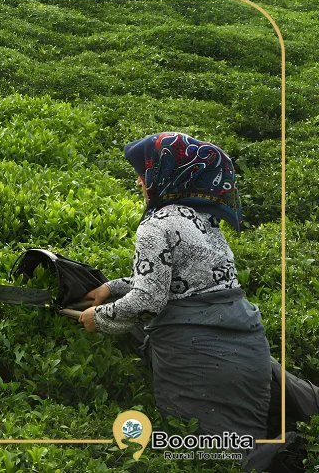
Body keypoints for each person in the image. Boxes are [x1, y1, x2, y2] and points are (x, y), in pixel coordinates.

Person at [78, 132, 272, 439]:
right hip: (249, 350)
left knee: (202, 449)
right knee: (244, 444)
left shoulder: (155, 225)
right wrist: (112, 288)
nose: (139, 183)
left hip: (198, 359)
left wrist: (98, 318)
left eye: (144, 174)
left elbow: (148, 300)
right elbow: (185, 281)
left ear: (166, 175)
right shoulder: (203, 220)